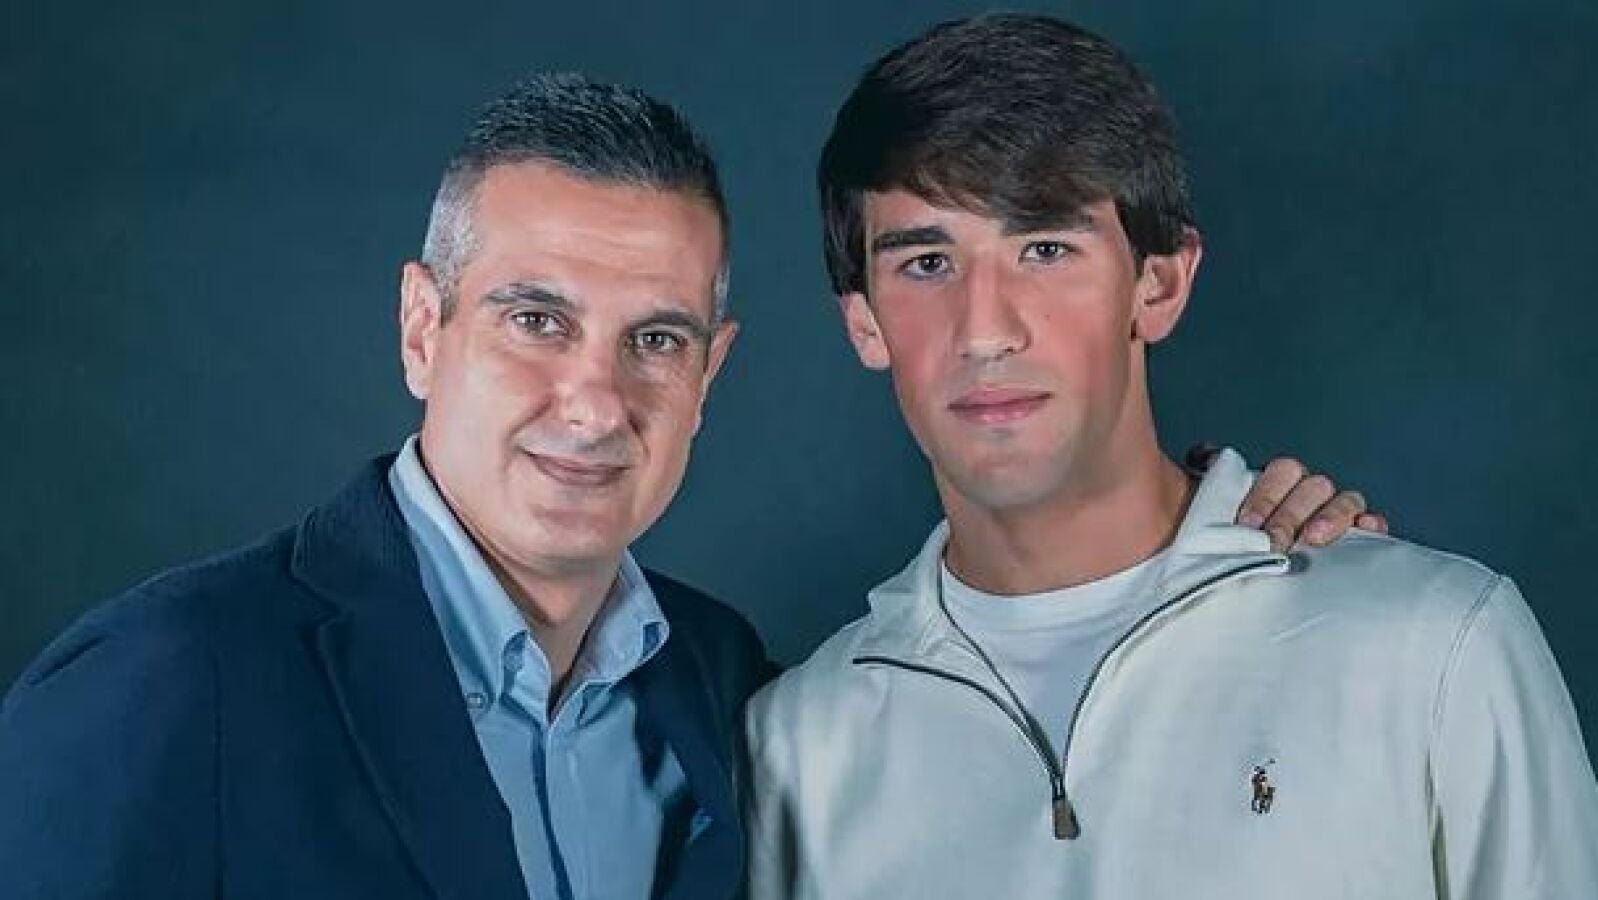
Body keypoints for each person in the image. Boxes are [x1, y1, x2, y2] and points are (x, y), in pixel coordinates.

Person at [0, 74, 1371, 900]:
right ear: (423, 329)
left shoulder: (722, 691)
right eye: (534, 320)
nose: (594, 401)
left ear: (709, 374)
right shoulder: (172, 685)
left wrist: (1224, 541)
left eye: (653, 340)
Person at [744, 13, 1598, 900]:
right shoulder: (798, 749)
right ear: (864, 322)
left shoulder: (1432, 645)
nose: (985, 330)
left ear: (1158, 285)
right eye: (927, 263)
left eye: (1045, 249)